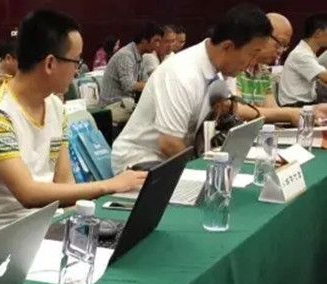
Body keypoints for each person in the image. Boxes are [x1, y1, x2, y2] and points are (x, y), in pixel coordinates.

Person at [0, 10, 146, 235]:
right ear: (50, 63)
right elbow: (28, 194)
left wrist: (80, 229)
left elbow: (64, 184)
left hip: (49, 224)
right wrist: (109, 185)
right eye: (75, 61)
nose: (77, 71)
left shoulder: (55, 106)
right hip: (6, 235)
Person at [110, 4, 272, 173]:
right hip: (141, 162)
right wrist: (202, 173)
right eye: (253, 54)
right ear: (227, 47)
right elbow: (169, 144)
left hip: (173, 158)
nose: (254, 62)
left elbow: (224, 113)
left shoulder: (221, 70)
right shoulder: (181, 73)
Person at [233, 13, 327, 125]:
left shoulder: (263, 71)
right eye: (279, 44)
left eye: (284, 46)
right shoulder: (234, 65)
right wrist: (293, 113)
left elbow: (273, 111)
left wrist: (312, 111)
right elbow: (238, 110)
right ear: (260, 36)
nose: (280, 51)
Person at [99, 23, 164, 124]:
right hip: (111, 107)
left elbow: (144, 82)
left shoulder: (140, 56)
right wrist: (155, 85)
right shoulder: (126, 55)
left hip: (125, 104)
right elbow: (128, 85)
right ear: (144, 40)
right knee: (153, 120)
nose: (158, 45)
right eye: (156, 41)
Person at [279, 13, 327, 107]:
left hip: (304, 104)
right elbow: (325, 77)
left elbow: (322, 81)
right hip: (295, 106)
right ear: (318, 33)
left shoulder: (307, 52)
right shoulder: (301, 54)